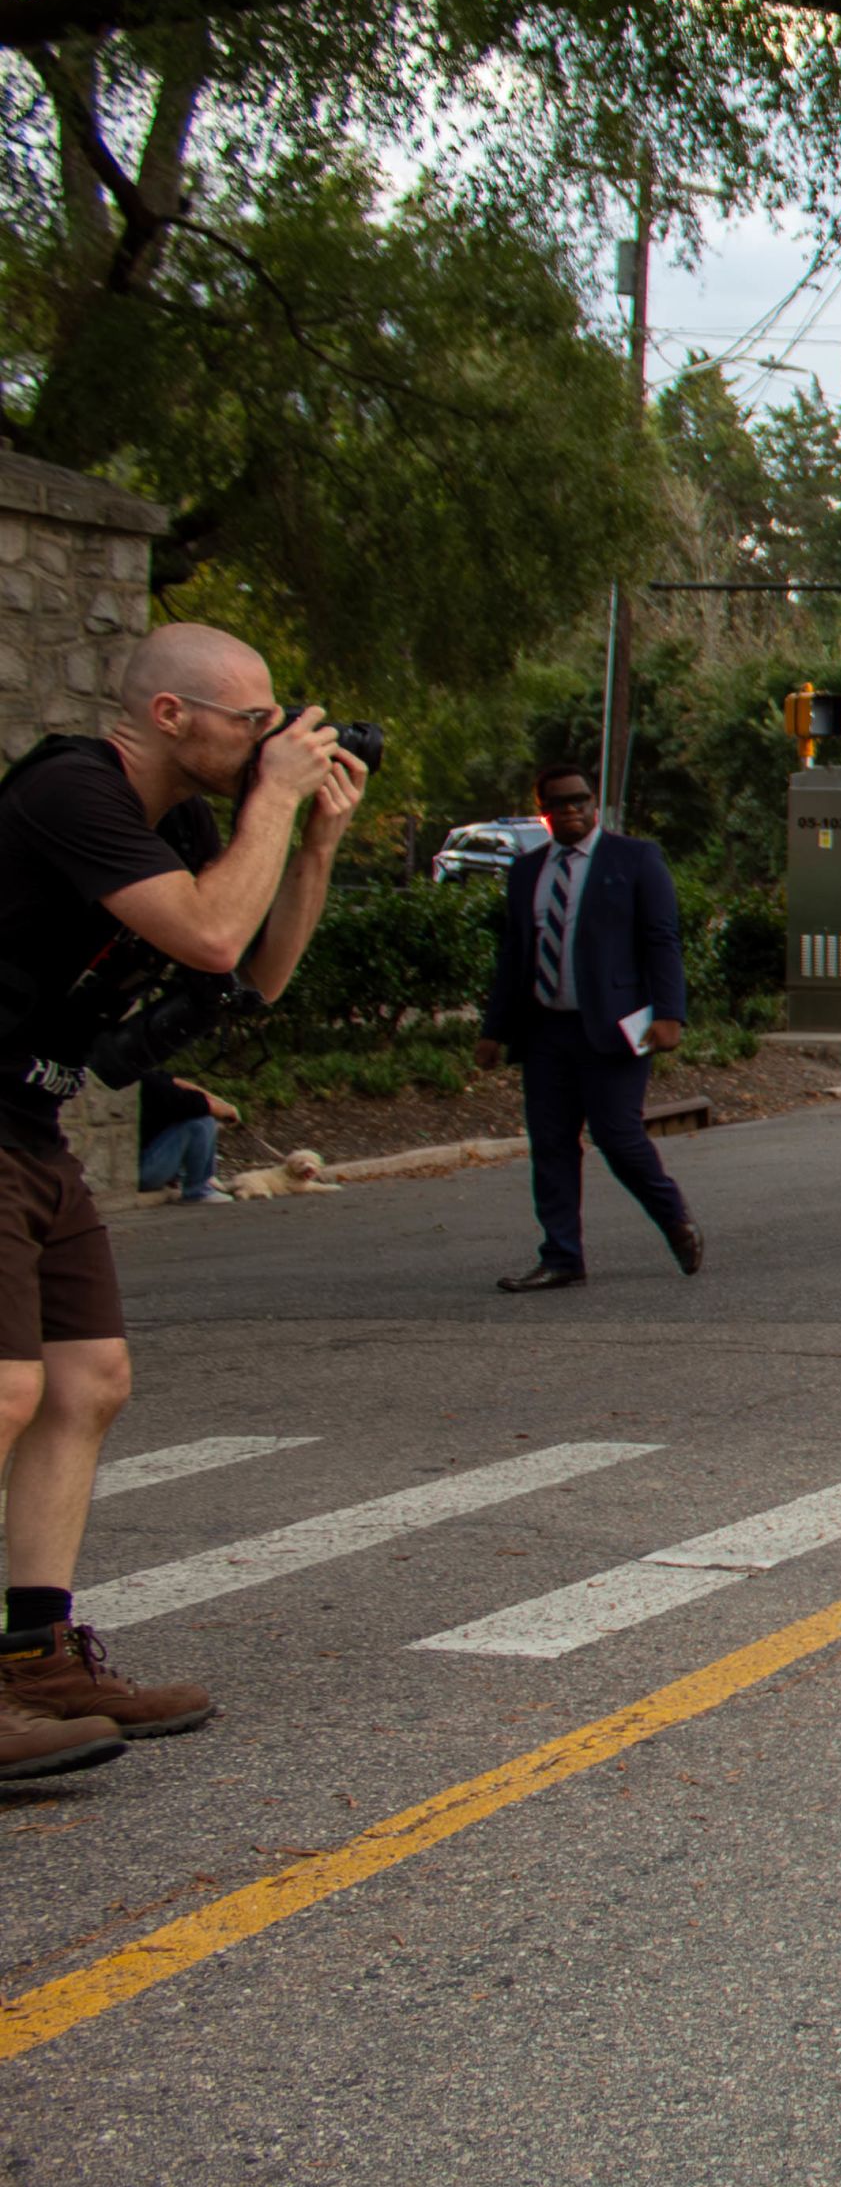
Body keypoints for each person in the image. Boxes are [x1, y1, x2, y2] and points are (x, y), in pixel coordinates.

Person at [0, 623, 364, 1771]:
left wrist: (311, 842)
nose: (269, 737)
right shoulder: (72, 791)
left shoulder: (188, 826)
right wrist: (275, 800)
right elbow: (207, 928)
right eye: (250, 719)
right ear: (169, 716)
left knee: (87, 1380)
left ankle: (33, 1655)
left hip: (29, 1119)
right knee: (6, 1386)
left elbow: (251, 972)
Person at [477, 762, 700, 1294]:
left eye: (580, 799)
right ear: (544, 813)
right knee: (551, 1143)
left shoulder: (635, 859)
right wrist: (494, 1029)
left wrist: (670, 1014)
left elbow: (662, 940)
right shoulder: (526, 871)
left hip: (614, 1028)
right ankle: (561, 1256)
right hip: (545, 1031)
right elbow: (514, 955)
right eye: (559, 803)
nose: (572, 809)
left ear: (594, 803)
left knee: (617, 1137)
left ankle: (674, 1218)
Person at [136, 1072, 235, 1204]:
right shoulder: (148, 1083)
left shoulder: (144, 1077)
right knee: (202, 1122)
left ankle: (189, 1177)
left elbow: (176, 1082)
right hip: (142, 1174)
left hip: (144, 1168)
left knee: (196, 1118)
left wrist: (222, 1103)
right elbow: (194, 1103)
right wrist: (224, 1109)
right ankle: (198, 1190)